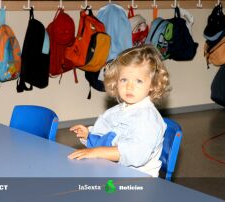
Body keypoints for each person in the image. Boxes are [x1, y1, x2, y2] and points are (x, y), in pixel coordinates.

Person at [68, 44, 170, 177]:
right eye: (123, 80)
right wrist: (89, 135)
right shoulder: (116, 111)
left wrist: (97, 151)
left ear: (153, 84)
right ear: (116, 81)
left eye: (138, 81)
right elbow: (107, 137)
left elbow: (136, 155)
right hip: (114, 171)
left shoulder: (148, 119)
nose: (129, 86)